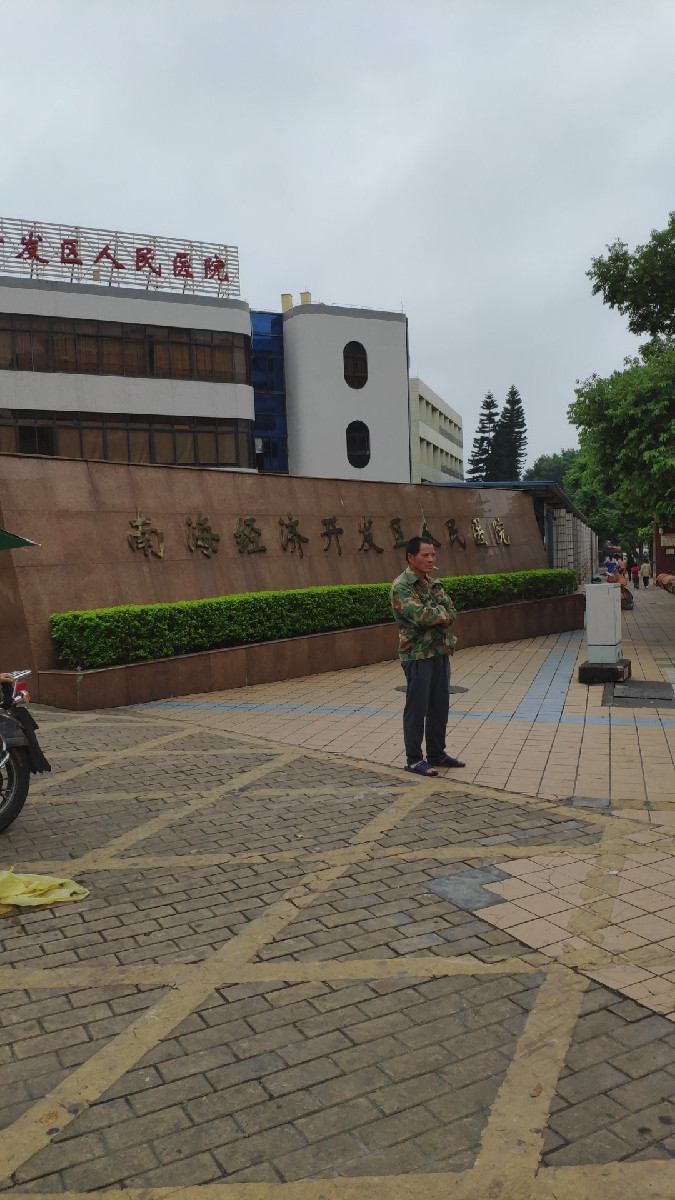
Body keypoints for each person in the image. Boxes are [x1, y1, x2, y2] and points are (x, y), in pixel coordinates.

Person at [390, 535, 465, 776]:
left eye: (433, 555)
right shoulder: (401, 586)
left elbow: (452, 611)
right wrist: (439, 613)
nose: (431, 559)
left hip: (439, 651)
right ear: (411, 557)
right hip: (416, 654)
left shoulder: (434, 584)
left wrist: (439, 614)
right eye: (425, 555)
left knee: (439, 706)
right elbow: (421, 616)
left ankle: (436, 753)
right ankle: (414, 759)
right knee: (417, 707)